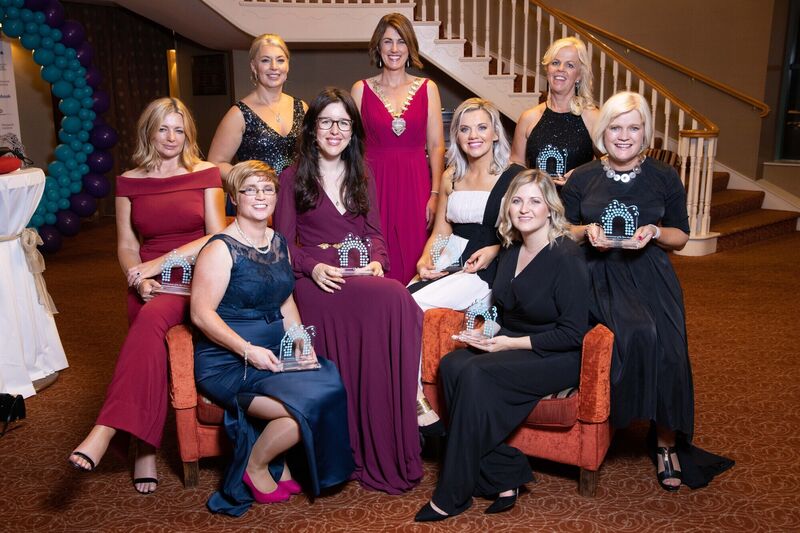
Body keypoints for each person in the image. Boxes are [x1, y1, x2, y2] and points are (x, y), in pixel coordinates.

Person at [561, 91, 734, 491]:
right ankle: (615, 418)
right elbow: (561, 229)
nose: (624, 136)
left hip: (651, 272)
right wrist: (586, 232)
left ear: (645, 132)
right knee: (637, 333)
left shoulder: (664, 177)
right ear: (604, 131)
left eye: (634, 127)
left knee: (671, 346)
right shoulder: (583, 176)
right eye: (616, 127)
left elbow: (681, 237)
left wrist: (655, 232)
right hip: (596, 274)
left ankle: (666, 443)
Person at [68, 98, 226, 494]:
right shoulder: (128, 180)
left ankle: (111, 433)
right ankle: (141, 448)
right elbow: (125, 244)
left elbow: (216, 234)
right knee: (147, 321)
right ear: (148, 132)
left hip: (196, 273)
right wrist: (138, 279)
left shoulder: (205, 173)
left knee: (151, 318)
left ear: (187, 134)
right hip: (148, 278)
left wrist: (164, 262)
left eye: (178, 129)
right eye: (163, 129)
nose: (171, 138)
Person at [415, 169, 590, 522]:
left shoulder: (566, 257)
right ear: (508, 207)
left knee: (476, 376)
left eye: (534, 201)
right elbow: (505, 308)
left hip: (554, 353)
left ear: (550, 209)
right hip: (514, 342)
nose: (524, 209)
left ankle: (452, 495)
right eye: (517, 200)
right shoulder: (510, 251)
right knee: (452, 364)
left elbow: (573, 333)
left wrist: (507, 344)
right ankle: (503, 470)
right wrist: (486, 334)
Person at [273, 87, 423, 494]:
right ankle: (369, 433)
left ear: (353, 130)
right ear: (313, 129)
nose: (335, 130)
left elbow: (374, 234)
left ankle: (397, 424)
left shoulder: (362, 174)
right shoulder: (292, 177)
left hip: (358, 277)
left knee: (397, 300)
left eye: (343, 122)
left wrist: (376, 260)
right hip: (317, 284)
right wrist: (314, 266)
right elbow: (283, 245)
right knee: (394, 298)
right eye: (326, 122)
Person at [191, 161, 353, 516]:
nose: (261, 196)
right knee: (298, 413)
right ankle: (255, 466)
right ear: (234, 197)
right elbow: (201, 315)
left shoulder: (278, 241)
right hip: (229, 361)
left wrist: (298, 340)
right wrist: (248, 350)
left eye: (268, 189)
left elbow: (285, 299)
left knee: (329, 384)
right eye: (250, 189)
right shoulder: (220, 248)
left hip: (275, 352)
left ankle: (281, 464)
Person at [408, 98, 524, 435]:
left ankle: (412, 398)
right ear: (456, 135)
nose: (473, 135)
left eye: (481, 127)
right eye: (464, 128)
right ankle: (409, 393)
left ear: (495, 134)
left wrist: (495, 248)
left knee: (412, 303)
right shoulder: (451, 175)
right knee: (398, 299)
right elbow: (442, 232)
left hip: (488, 267)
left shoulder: (514, 176)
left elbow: (529, 231)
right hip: (451, 259)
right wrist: (426, 261)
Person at [351, 12, 446, 284]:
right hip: (372, 183)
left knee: (415, 250)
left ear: (410, 47)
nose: (395, 49)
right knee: (376, 254)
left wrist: (435, 193)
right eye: (388, 41)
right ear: (378, 47)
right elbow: (351, 147)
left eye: (401, 42)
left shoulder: (428, 88)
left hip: (416, 184)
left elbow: (437, 145)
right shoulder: (361, 89)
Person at [208, 33, 307, 214]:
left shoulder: (302, 107)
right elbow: (215, 163)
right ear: (254, 66)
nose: (274, 67)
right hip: (254, 203)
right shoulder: (238, 114)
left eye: (280, 60)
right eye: (265, 60)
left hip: (294, 199)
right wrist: (251, 180)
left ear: (288, 65)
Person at [510, 37, 598, 186]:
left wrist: (581, 175)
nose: (560, 69)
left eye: (570, 65)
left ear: (579, 75)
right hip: (535, 205)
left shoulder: (592, 117)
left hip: (575, 205)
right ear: (548, 69)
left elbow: (612, 160)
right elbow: (516, 165)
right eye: (555, 62)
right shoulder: (528, 117)